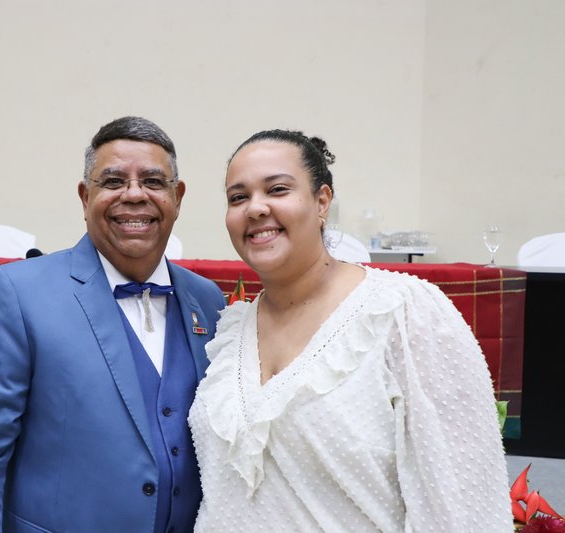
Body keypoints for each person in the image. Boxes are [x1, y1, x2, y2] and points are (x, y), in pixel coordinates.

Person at [187, 129, 512, 532]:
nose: (255, 208)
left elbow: (463, 504)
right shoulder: (230, 332)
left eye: (277, 189)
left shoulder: (401, 312)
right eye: (238, 197)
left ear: (322, 200)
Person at [0, 116, 225, 533]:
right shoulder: (18, 292)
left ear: (177, 197)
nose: (134, 195)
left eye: (153, 181)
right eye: (113, 181)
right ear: (85, 196)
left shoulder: (207, 300)